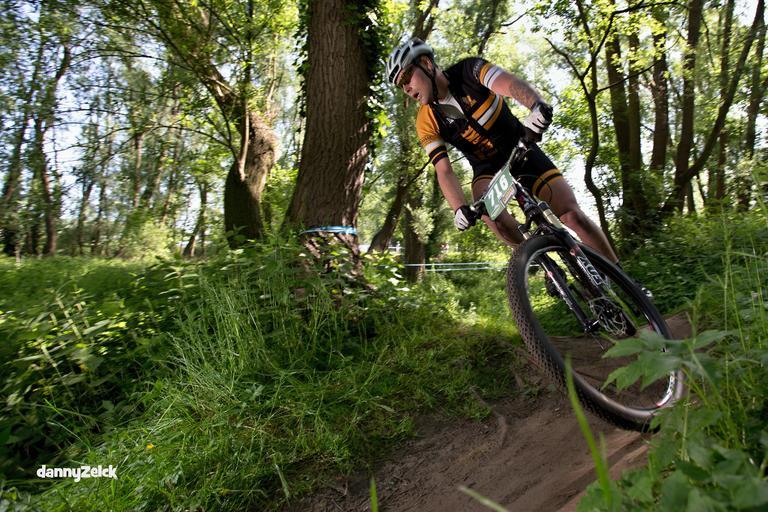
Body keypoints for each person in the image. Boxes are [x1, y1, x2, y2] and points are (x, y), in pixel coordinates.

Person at [385, 37, 618, 264]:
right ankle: (540, 261)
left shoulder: (470, 71)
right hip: (487, 169)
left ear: (426, 63)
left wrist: (536, 105)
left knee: (572, 216)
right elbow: (443, 170)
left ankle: (623, 277)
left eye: (406, 77)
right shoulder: (425, 120)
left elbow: (511, 85)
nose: (406, 88)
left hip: (521, 149)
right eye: (400, 85)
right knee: (489, 213)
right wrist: (458, 208)